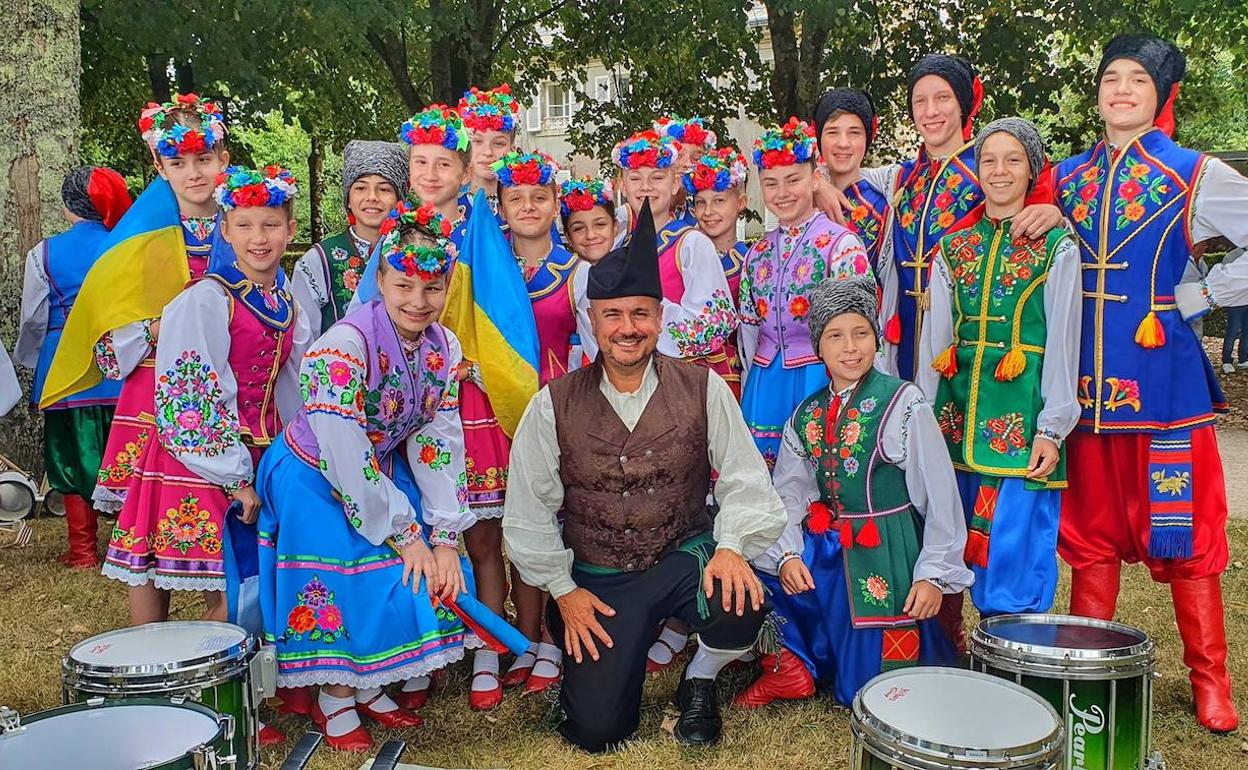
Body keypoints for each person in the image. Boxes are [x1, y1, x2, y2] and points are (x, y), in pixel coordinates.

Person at [503, 201, 786, 752]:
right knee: (598, 732)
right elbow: (529, 509)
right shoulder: (552, 404)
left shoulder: (704, 388)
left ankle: (699, 676)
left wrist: (730, 547)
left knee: (739, 606)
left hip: (681, 557)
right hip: (599, 577)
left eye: (640, 314)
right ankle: (594, 676)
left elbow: (746, 480)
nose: (627, 329)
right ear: (592, 320)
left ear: (660, 317)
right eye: (613, 315)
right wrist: (564, 592)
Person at [1054, 34, 1248, 733]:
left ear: (1163, 96)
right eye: (1111, 76)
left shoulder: (1194, 173)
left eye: (1138, 78)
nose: (1122, 88)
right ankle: (1086, 670)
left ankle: (1211, 680)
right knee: (1090, 534)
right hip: (1085, 395)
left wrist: (1201, 296)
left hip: (1167, 391)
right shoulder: (1066, 177)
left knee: (1187, 532)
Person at [257, 197, 478, 752]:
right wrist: (407, 534)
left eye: (432, 288)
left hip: (373, 470)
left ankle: (369, 681)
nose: (418, 301)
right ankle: (334, 695)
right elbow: (344, 452)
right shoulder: (342, 347)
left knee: (396, 574)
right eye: (403, 285)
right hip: (313, 471)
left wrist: (445, 533)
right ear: (379, 278)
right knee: (336, 577)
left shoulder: (443, 347)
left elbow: (437, 441)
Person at [735, 277, 972, 709]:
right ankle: (793, 666)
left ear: (876, 339)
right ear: (818, 348)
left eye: (861, 333)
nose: (850, 348)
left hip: (890, 551)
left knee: (873, 692)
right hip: (832, 551)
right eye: (835, 336)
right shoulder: (807, 414)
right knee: (758, 567)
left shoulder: (903, 402)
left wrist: (932, 573)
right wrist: (788, 555)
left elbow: (939, 496)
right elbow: (788, 493)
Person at [101, 165, 310, 630]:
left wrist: (295, 454)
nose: (259, 237)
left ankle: (227, 685)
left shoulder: (285, 299)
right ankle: (157, 679)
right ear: (226, 229)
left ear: (290, 231)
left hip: (254, 453)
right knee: (212, 582)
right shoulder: (207, 298)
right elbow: (188, 391)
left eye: (271, 225)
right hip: (196, 453)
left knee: (241, 582)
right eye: (245, 225)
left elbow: (292, 386)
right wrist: (233, 475)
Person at [917, 118, 1081, 617]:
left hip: (1021, 413)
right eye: (988, 159)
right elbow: (934, 341)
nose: (999, 170)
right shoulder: (952, 248)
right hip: (955, 411)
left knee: (1014, 544)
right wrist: (919, 418)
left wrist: (1052, 427)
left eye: (1013, 159)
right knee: (946, 527)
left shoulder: (1057, 247)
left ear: (1032, 170)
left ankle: (1014, 665)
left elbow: (1063, 341)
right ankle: (947, 654)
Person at [41, 95, 229, 519]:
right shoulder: (139, 242)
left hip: (232, 383)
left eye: (202, 158)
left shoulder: (247, 223)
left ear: (223, 157)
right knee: (152, 534)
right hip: (157, 391)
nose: (193, 172)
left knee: (225, 539)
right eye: (177, 162)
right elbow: (110, 345)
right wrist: (158, 329)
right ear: (160, 168)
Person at [459, 150, 578, 705]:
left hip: (554, 413)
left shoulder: (577, 270)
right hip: (487, 414)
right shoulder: (484, 264)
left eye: (539, 196)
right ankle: (497, 639)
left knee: (543, 531)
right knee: (486, 534)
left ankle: (543, 638)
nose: (528, 206)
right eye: (516, 198)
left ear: (556, 203)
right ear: (501, 207)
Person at [738, 117, 873, 469]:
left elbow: (861, 332)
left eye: (793, 180)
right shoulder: (757, 253)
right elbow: (749, 333)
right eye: (770, 184)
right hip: (765, 384)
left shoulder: (841, 245)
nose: (782, 193)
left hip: (822, 380)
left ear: (816, 178)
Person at [15, 166, 132, 567]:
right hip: (122, 364)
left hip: (66, 368)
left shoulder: (43, 253)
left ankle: (83, 550)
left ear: (68, 207)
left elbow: (33, 316)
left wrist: (32, 358)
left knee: (69, 452)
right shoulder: (127, 245)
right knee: (125, 452)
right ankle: (125, 545)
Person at [582, 130, 737, 382]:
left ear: (674, 184)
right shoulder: (619, 243)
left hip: (683, 378)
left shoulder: (691, 243)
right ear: (622, 185)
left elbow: (715, 323)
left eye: (657, 178)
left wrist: (647, 317)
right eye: (635, 178)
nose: (645, 187)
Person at [812, 88, 897, 370]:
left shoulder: (885, 190)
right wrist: (816, 184)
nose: (843, 143)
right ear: (819, 137)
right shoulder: (801, 196)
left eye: (855, 132)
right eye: (833, 132)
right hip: (809, 340)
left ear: (868, 138)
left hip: (866, 333)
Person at [292, 140, 407, 333]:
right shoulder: (320, 259)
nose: (372, 197)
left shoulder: (413, 251)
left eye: (385, 189)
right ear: (349, 199)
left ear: (399, 199)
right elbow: (302, 337)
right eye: (361, 188)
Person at [458, 84, 522, 208]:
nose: (487, 152)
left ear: (512, 150)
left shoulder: (522, 210)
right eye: (477, 141)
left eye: (499, 144)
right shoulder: (449, 210)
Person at [654, 115, 719, 224]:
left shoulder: (705, 217)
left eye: (695, 158)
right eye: (679, 156)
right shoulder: (636, 213)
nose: (688, 164)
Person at [1218, 246, 1247, 374]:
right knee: (1232, 330)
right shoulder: (1232, 255)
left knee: (1247, 331)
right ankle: (1227, 360)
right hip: (1236, 300)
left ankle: (1243, 358)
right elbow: (1224, 277)